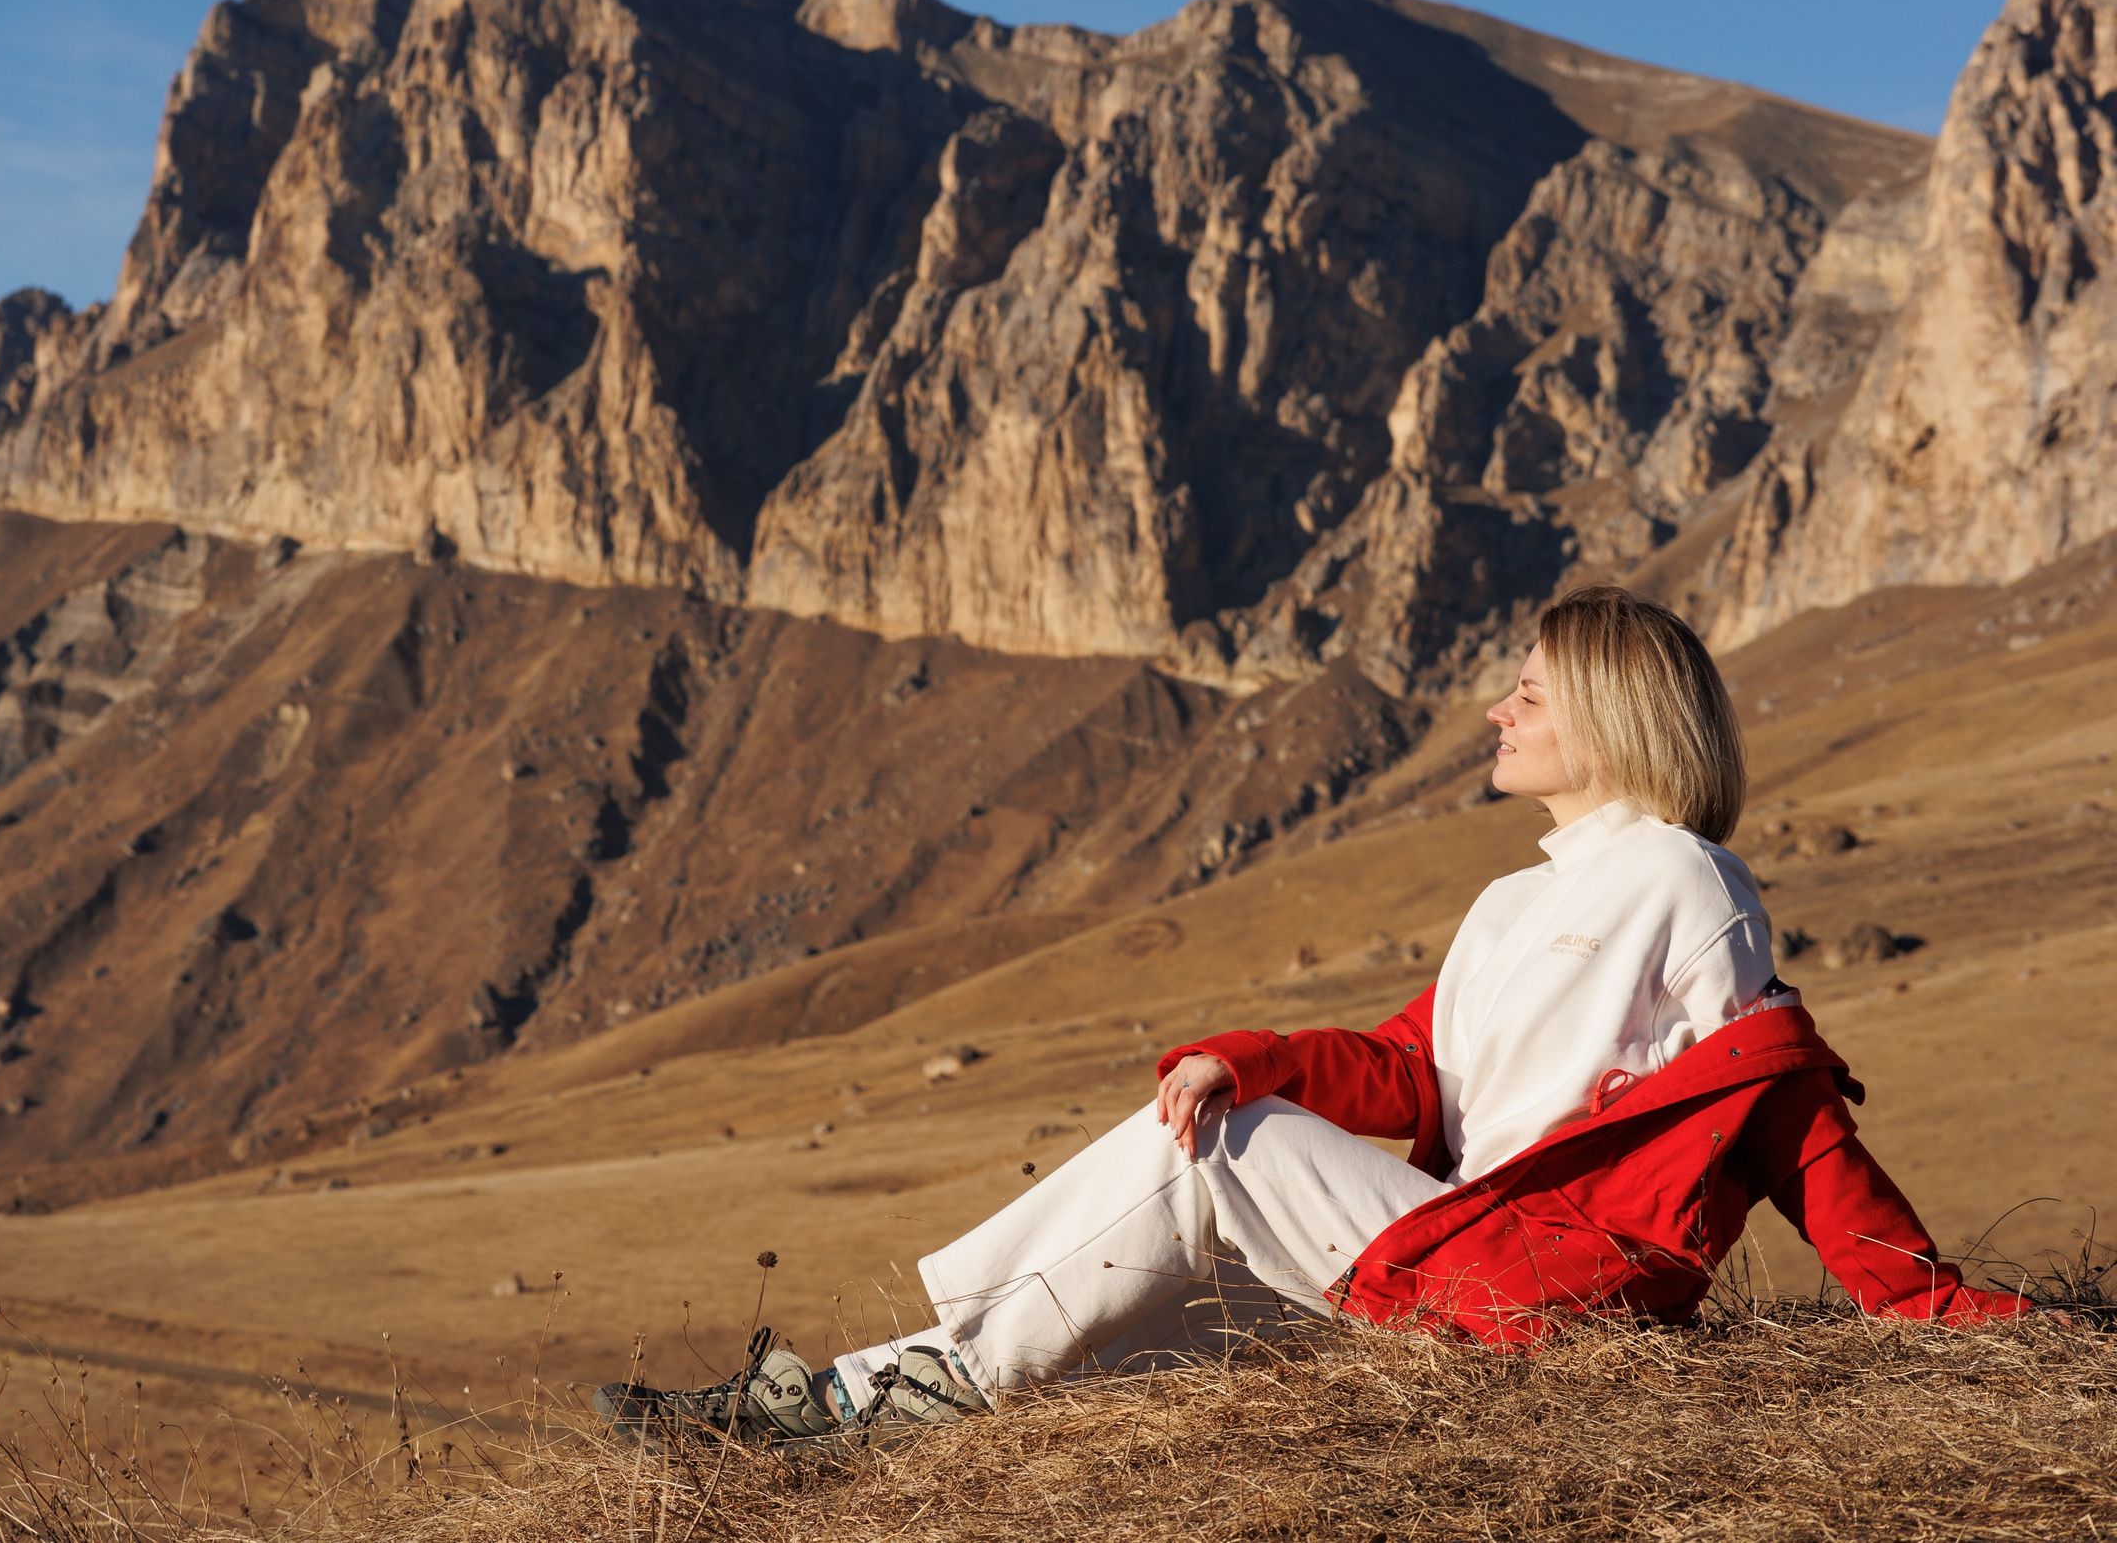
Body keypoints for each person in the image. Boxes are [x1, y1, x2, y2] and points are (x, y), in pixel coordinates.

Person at [595, 585, 2031, 1448]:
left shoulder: (1683, 878)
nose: (1498, 711)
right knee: (1119, 1337)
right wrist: (1246, 1054)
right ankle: (816, 1416)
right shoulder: (1510, 901)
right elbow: (1411, 1070)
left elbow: (1773, 1098)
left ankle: (862, 1402)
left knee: (1208, 1155)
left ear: (1609, 711)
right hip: (1449, 1254)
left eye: (1529, 691)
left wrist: (1922, 1299)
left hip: (1545, 1286)